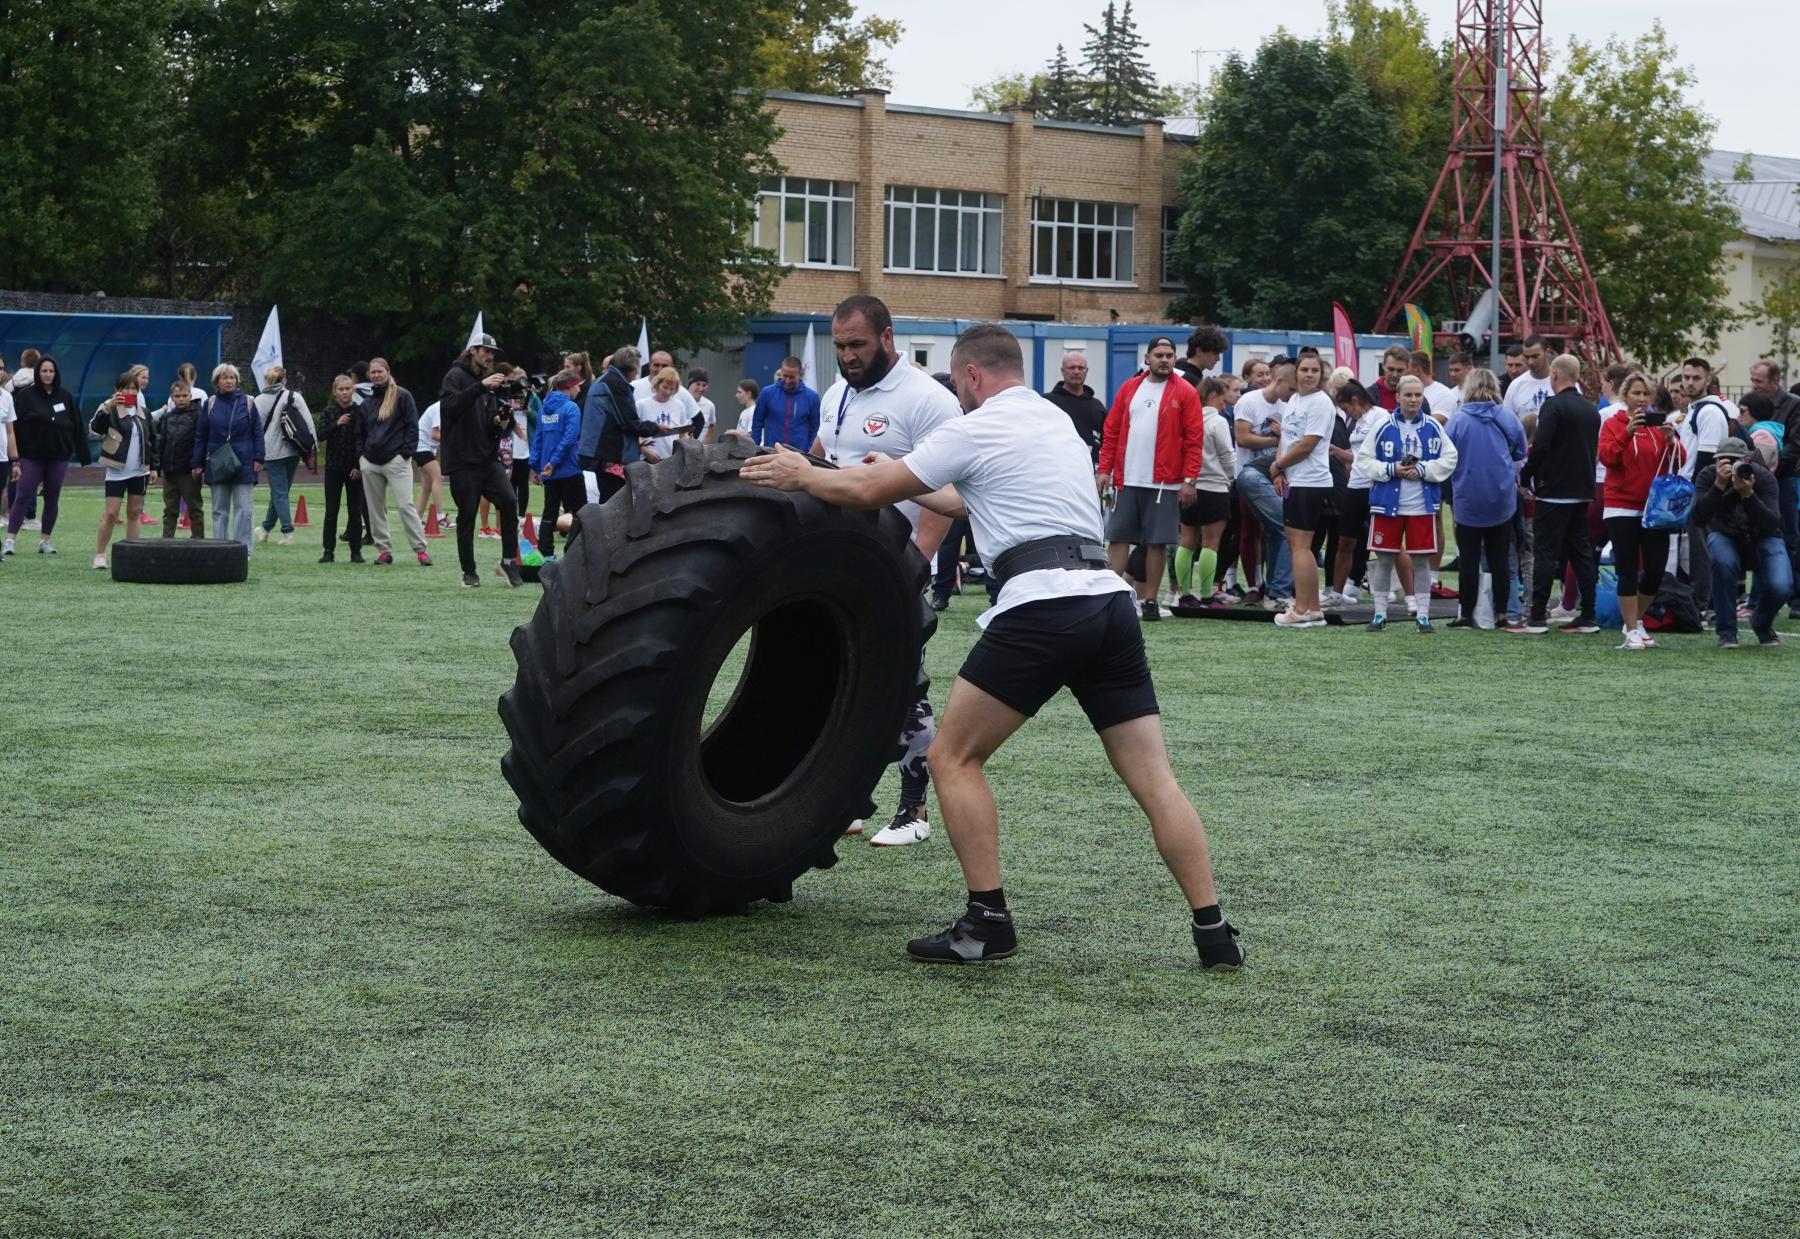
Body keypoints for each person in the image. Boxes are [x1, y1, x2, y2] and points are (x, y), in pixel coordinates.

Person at [738, 322, 1246, 972]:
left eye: (958, 382)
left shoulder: (972, 426)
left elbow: (867, 493)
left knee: (953, 757)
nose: (958, 393)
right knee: (1154, 779)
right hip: (1107, 601)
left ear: (972, 375)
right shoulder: (1053, 421)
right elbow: (966, 496)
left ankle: (987, 921)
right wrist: (905, 479)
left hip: (1041, 605)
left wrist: (802, 472)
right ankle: (1214, 931)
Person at [810, 293, 961, 847]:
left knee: (902, 687)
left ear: (888, 337)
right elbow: (823, 460)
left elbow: (945, 490)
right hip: (838, 566)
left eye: (858, 345)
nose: (848, 356)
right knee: (831, 685)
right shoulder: (836, 395)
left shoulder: (926, 400)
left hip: (896, 564)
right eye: (841, 346)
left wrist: (915, 564)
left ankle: (914, 813)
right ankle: (843, 803)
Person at [1096, 336, 1204, 623]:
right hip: (1125, 478)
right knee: (1117, 539)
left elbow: (1195, 439)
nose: (1165, 360)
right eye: (1159, 355)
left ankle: (1150, 601)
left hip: (1164, 482)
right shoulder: (1130, 388)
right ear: (1147, 358)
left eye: (1169, 355)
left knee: (1158, 542)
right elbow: (1112, 430)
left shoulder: (1185, 392)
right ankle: (1109, 597)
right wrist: (1104, 470)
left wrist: (1190, 480)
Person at [1354, 374, 1458, 631]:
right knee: (1385, 559)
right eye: (1408, 395)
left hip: (1421, 505)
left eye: (1418, 395)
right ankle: (1379, 614)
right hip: (1387, 504)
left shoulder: (1433, 426)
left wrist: (1423, 469)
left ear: (1423, 397)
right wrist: (1391, 469)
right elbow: (1364, 460)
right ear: (1398, 396)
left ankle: (1423, 615)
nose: (1413, 400)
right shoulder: (1382, 425)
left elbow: (1450, 458)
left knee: (1422, 560)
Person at [1597, 370, 1687, 650]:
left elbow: (1677, 463)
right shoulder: (1614, 423)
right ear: (1625, 395)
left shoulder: (1657, 427)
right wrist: (1627, 432)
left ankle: (1634, 621)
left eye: (1646, 393)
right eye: (1636, 393)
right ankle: (1632, 629)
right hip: (1621, 505)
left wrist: (1673, 441)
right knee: (1626, 567)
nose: (1641, 399)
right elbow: (1607, 457)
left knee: (1655, 569)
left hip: (1652, 509)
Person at [1517, 354, 1601, 634]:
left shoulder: (1553, 407)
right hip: (1583, 491)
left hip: (1554, 492)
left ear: (1554, 375)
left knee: (1544, 553)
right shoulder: (1591, 410)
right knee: (1581, 554)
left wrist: (1527, 474)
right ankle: (1588, 614)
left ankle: (1537, 617)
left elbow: (1541, 446)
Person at [1444, 368, 1527, 629]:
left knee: (1468, 558)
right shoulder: (1507, 416)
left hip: (1467, 495)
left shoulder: (1458, 420)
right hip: (1501, 496)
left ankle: (1466, 613)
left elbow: (1446, 454)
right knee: (1500, 557)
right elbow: (1520, 451)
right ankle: (1501, 613)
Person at [439, 332, 522, 588]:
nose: (489, 357)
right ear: (472, 350)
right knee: (467, 516)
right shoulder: (455, 376)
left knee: (509, 502)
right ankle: (469, 571)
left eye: (492, 353)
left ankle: (508, 561)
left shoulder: (488, 383)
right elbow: (450, 407)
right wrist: (481, 387)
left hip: (487, 458)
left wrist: (499, 422)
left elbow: (487, 421)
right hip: (463, 460)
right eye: (485, 351)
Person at [1695, 437, 1789, 649]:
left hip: (1764, 537)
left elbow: (1772, 524)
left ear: (1748, 460)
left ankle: (1761, 623)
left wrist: (1748, 494)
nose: (1731, 466)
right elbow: (1699, 519)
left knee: (1781, 585)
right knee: (1723, 560)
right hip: (1726, 536)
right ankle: (1727, 632)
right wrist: (1718, 485)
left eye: (1737, 461)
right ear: (1716, 460)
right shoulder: (1708, 475)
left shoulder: (1763, 477)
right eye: (1724, 460)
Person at [1268, 353, 1336, 628]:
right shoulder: (1295, 400)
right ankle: (1314, 609)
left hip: (1311, 481)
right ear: (1296, 373)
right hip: (1294, 479)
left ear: (1321, 375)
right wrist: (1280, 471)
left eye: (1314, 370)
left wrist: (1276, 465)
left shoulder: (1321, 403)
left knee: (1301, 546)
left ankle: (1302, 608)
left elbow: (1307, 444)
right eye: (1305, 370)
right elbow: (1287, 437)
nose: (1309, 375)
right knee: (1297, 544)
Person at [5, 355, 88, 556]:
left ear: (56, 373)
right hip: (31, 456)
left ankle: (44, 541)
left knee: (52, 497)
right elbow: (12, 427)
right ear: (37, 372)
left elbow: (77, 425)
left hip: (58, 456)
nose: (48, 374)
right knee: (23, 495)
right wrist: (14, 456)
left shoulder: (66, 396)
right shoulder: (25, 396)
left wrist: (83, 454)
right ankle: (9, 541)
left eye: (51, 371)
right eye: (44, 371)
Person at [357, 356, 431, 568]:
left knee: (405, 504)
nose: (377, 375)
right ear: (369, 375)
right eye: (373, 372)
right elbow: (359, 433)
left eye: (380, 371)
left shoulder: (403, 396)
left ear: (388, 372)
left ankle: (421, 550)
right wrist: (362, 457)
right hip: (370, 462)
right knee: (375, 509)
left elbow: (412, 426)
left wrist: (405, 453)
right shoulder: (367, 403)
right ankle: (384, 551)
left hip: (396, 461)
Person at [1174, 377, 1238, 607]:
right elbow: (1227, 455)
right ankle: (1207, 595)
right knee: (1211, 544)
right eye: (1223, 397)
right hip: (1215, 487)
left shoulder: (1187, 419)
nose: (1226, 403)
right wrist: (1232, 476)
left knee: (1187, 542)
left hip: (1189, 486)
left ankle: (1184, 595)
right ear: (1213, 396)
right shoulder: (1217, 421)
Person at [190, 363, 262, 551]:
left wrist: (259, 458)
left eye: (232, 377)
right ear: (217, 382)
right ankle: (219, 547)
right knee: (218, 509)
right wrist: (197, 462)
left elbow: (257, 432)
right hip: (217, 462)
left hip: (244, 461)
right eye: (224, 378)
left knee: (244, 509)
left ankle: (243, 550)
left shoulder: (248, 402)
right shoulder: (210, 403)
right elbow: (201, 434)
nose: (229, 381)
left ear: (237, 380)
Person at [90, 372, 158, 570]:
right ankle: (100, 554)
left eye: (133, 389)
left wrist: (153, 468)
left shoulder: (144, 413)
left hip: (140, 471)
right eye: (125, 388)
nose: (130, 392)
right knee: (111, 513)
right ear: (117, 390)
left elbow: (152, 441)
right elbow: (96, 428)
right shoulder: (110, 410)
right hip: (117, 470)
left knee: (134, 512)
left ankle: (132, 554)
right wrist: (107, 407)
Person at [1748, 360, 1800, 602]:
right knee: (1759, 536)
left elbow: (1795, 446)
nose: (1754, 385)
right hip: (1757, 479)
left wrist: (1768, 468)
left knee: (1789, 536)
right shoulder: (1755, 403)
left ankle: (1795, 597)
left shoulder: (1793, 405)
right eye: (1753, 380)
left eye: (1759, 381)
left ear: (1775, 381)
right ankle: (1758, 596)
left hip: (1783, 479)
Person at [1331, 380, 1384, 610]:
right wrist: (1336, 451)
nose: (1346, 413)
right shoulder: (1359, 421)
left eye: (1345, 408)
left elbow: (1384, 450)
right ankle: (1336, 593)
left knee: (1387, 544)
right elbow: (1358, 456)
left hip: (1375, 486)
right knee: (1345, 540)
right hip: (1356, 486)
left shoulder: (1379, 416)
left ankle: (1411, 596)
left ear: (1354, 400)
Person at [253, 365, 315, 545]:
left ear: (266, 380)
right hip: (293, 450)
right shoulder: (294, 396)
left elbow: (254, 428)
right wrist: (312, 448)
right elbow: (308, 423)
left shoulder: (258, 400)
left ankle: (287, 533)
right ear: (285, 379)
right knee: (281, 492)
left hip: (270, 452)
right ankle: (265, 528)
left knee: (279, 493)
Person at [531, 369, 585, 559]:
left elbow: (537, 439)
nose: (579, 388)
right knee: (581, 513)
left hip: (549, 471)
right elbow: (570, 439)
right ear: (569, 387)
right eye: (578, 385)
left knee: (550, 511)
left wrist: (536, 467)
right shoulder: (572, 408)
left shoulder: (544, 408)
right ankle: (574, 553)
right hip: (569, 468)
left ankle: (546, 554)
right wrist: (554, 462)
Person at [318, 375, 365, 563]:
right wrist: (336, 424)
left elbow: (363, 439)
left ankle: (356, 550)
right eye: (341, 389)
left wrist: (358, 465)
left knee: (355, 511)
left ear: (352, 390)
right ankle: (328, 550)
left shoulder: (360, 412)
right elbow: (320, 434)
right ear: (334, 392)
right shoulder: (329, 411)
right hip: (333, 468)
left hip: (353, 469)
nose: (345, 393)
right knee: (331, 511)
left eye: (348, 389)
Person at [1042, 352, 1107, 462]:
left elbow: (1107, 441)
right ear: (1062, 371)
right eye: (1072, 367)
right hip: (1057, 467)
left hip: (1091, 471)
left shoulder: (1097, 407)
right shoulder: (1047, 403)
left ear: (1086, 371)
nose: (1076, 371)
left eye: (1081, 368)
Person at [751, 356, 820, 450]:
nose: (787, 381)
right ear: (781, 372)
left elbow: (815, 429)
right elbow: (757, 424)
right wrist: (756, 449)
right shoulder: (767, 393)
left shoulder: (812, 397)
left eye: (792, 377)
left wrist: (810, 452)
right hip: (772, 453)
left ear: (801, 374)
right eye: (785, 376)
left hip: (799, 455)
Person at [636, 367, 696, 461]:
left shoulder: (679, 406)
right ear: (657, 384)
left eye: (672, 389)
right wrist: (644, 450)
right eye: (665, 387)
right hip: (646, 459)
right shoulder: (641, 405)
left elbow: (682, 434)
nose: (668, 392)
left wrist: (688, 439)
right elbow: (633, 433)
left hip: (672, 459)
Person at [412, 399, 446, 533]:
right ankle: (440, 517)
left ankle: (415, 520)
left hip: (426, 448)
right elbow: (435, 434)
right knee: (439, 477)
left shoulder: (449, 409)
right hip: (420, 446)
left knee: (427, 486)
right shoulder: (440, 407)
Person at [1371, 344, 1410, 411]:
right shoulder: (1368, 396)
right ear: (1383, 365)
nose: (1395, 374)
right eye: (1391, 369)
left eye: (1400, 370)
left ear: (1408, 368)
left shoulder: (1416, 397)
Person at [686, 367, 717, 445]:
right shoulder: (680, 401)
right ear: (690, 384)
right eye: (698, 384)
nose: (701, 388)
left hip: (699, 451)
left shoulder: (709, 405)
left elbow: (712, 426)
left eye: (704, 385)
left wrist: (705, 444)